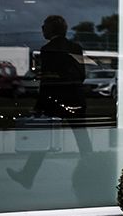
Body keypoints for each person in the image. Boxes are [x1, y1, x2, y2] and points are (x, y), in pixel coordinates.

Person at [7, 14, 92, 189]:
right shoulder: (76, 47)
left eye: (44, 26)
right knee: (82, 139)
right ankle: (94, 172)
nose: (42, 29)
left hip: (55, 101)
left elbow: (47, 82)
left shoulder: (48, 50)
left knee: (43, 138)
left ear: (51, 29)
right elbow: (80, 75)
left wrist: (39, 106)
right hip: (75, 99)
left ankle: (28, 175)